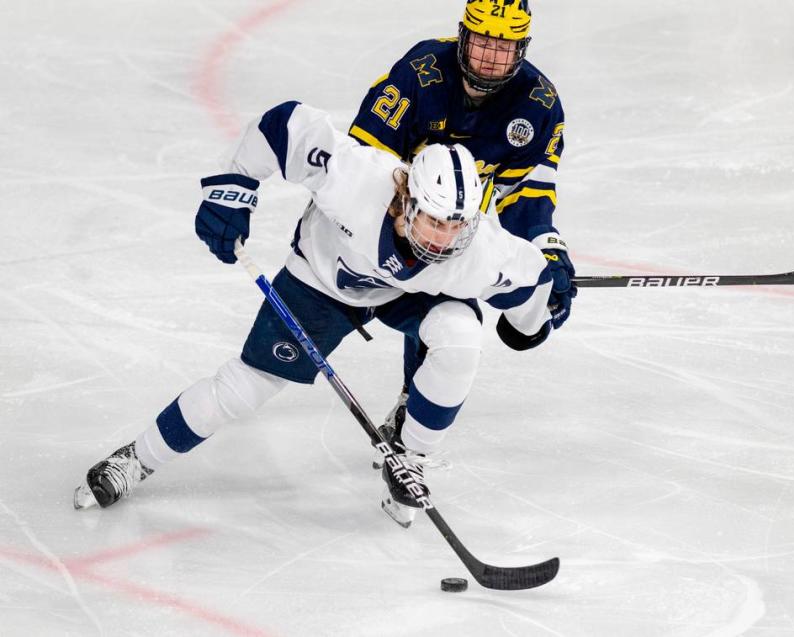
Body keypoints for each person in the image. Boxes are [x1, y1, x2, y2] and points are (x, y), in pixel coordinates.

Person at [73, 101, 554, 528]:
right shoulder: (354, 178)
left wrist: (542, 315)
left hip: (405, 293)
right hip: (321, 281)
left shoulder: (475, 254)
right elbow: (281, 127)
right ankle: (136, 459)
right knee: (246, 387)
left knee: (461, 335)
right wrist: (231, 190)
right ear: (405, 198)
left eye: (457, 225)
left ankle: (411, 455)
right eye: (433, 220)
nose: (443, 239)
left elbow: (532, 286)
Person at [348, 0, 575, 447]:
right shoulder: (419, 75)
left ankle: (412, 409)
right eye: (483, 42)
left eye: (505, 46)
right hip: (385, 223)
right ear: (463, 36)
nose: (491, 57)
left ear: (523, 47)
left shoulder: (538, 105)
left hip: (455, 231)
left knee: (448, 317)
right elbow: (360, 165)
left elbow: (527, 194)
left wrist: (545, 248)